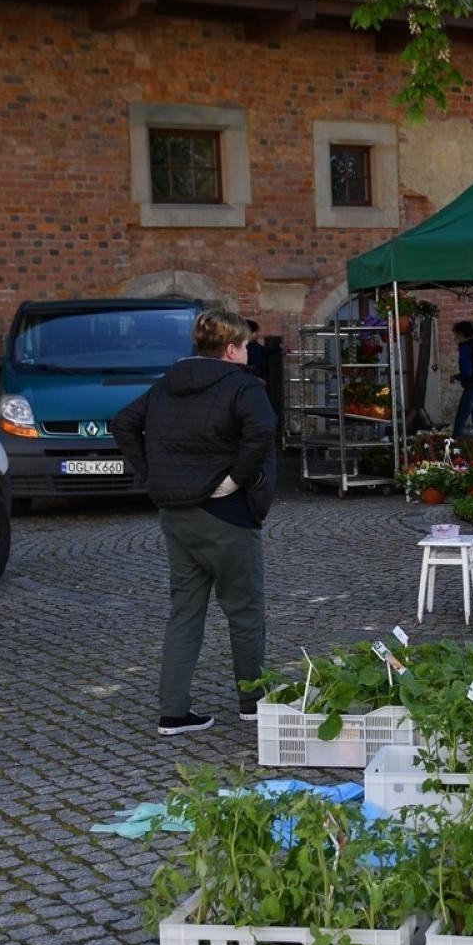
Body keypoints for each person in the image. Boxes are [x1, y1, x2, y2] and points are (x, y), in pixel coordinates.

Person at [113, 310, 277, 735]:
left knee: (185, 612)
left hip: (177, 515)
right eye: (245, 346)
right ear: (231, 349)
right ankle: (254, 703)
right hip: (228, 515)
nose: (248, 352)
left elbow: (124, 423)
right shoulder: (242, 385)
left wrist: (153, 476)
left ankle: (173, 711)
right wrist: (235, 479)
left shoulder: (167, 384)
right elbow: (263, 429)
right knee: (245, 611)